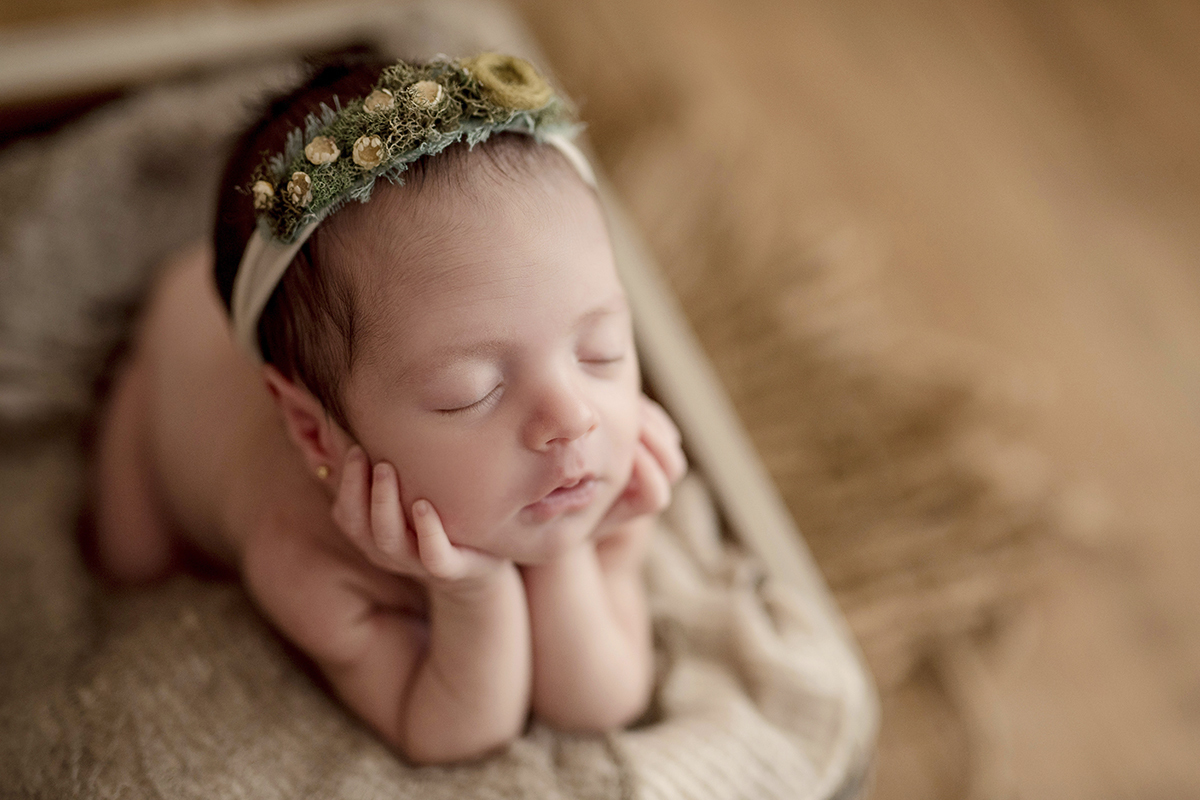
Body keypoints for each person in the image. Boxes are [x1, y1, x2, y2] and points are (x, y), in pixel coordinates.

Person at [88, 52, 686, 765]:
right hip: (175, 356)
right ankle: (134, 375)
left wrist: (570, 554)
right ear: (317, 433)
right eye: (474, 391)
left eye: (601, 350)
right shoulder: (299, 551)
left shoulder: (596, 475)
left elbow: (598, 703)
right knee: (129, 558)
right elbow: (452, 732)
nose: (573, 418)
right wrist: (474, 595)